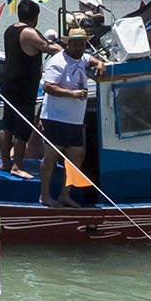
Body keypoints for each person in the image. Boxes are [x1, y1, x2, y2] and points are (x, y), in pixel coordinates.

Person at [37, 29, 100, 208]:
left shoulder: (82, 58)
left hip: (74, 120)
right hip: (56, 118)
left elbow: (90, 59)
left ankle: (65, 194)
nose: (80, 47)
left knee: (77, 155)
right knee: (50, 156)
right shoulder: (57, 62)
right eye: (76, 43)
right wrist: (72, 94)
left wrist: (100, 63)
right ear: (68, 44)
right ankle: (45, 195)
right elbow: (48, 87)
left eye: (82, 43)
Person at [0, 0, 55, 178]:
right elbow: (48, 47)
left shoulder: (10, 29)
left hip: (8, 83)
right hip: (23, 86)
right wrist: (72, 51)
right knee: (23, 126)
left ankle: (5, 162)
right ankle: (18, 165)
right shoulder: (29, 32)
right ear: (35, 17)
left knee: (7, 123)